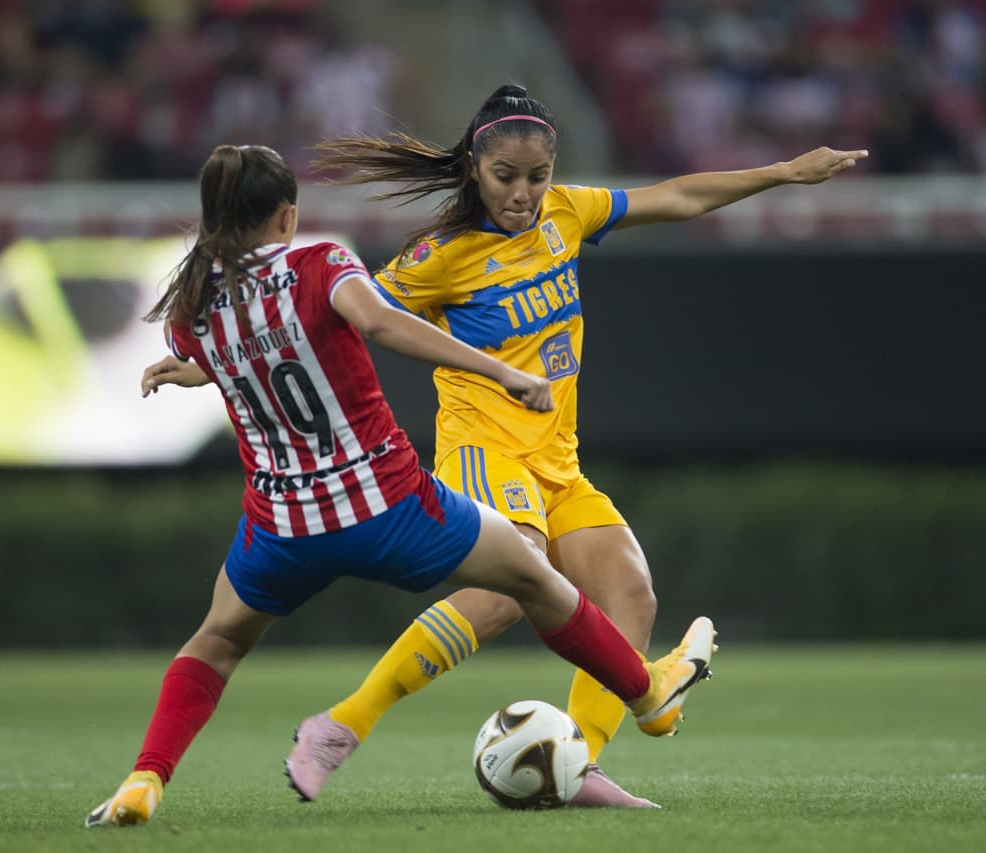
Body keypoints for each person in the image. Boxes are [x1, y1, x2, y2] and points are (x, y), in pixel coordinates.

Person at [144, 85, 865, 809]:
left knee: (630, 595)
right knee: (501, 597)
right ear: (474, 172)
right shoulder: (441, 255)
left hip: (558, 457)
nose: (523, 193)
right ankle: (342, 724)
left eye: (536, 177)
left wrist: (781, 172)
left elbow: (675, 197)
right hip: (484, 449)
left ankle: (576, 767)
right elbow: (329, 322)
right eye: (505, 177)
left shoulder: (569, 213)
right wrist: (208, 364)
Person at [84, 143, 715, 828]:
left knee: (215, 642)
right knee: (537, 581)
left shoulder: (192, 313)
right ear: (287, 216)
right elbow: (380, 321)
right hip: (389, 507)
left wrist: (193, 366)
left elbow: (241, 345)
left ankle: (145, 779)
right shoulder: (318, 263)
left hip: (283, 527)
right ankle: (646, 693)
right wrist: (500, 370)